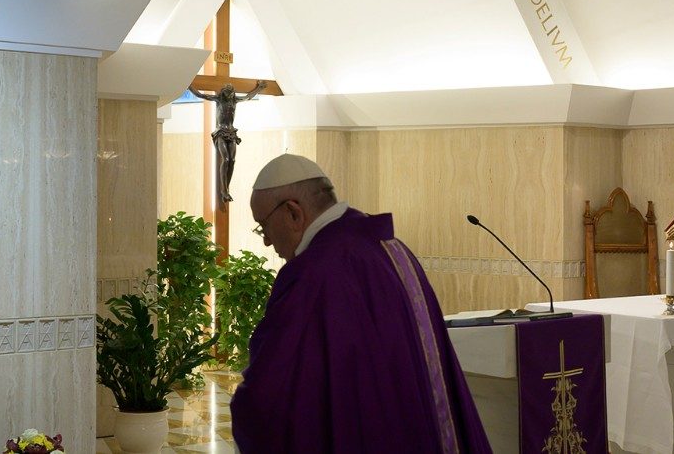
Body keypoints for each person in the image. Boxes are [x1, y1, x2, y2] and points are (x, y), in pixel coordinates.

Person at [230, 154, 492, 453]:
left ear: (293, 213)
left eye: (263, 226)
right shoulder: (391, 248)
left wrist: (247, 409)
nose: (266, 241)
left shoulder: (313, 272)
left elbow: (272, 392)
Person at [187, 81, 266, 202]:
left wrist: (259, 88)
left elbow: (248, 97)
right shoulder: (218, 99)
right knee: (226, 159)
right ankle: (223, 190)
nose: (229, 95)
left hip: (232, 133)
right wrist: (189, 85)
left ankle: (226, 189)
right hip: (220, 132)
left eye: (231, 93)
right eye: (227, 93)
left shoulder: (235, 100)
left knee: (232, 160)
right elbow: (200, 95)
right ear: (223, 92)